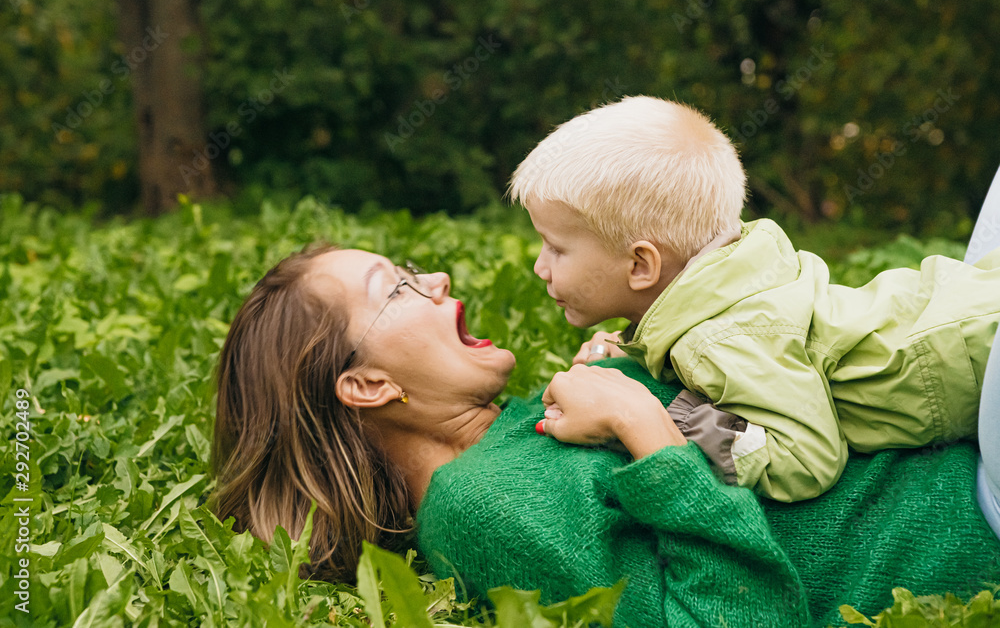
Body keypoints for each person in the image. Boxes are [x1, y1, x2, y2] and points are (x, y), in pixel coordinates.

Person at [210, 244, 1000, 627]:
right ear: (369, 385)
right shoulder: (481, 508)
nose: (438, 279)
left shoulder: (519, 437)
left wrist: (651, 376)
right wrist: (644, 427)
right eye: (399, 287)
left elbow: (750, 442)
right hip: (972, 502)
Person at [508, 95, 1000, 502]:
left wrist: (675, 413)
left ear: (641, 266)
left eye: (557, 247)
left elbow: (808, 460)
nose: (540, 266)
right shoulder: (739, 269)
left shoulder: (722, 339)